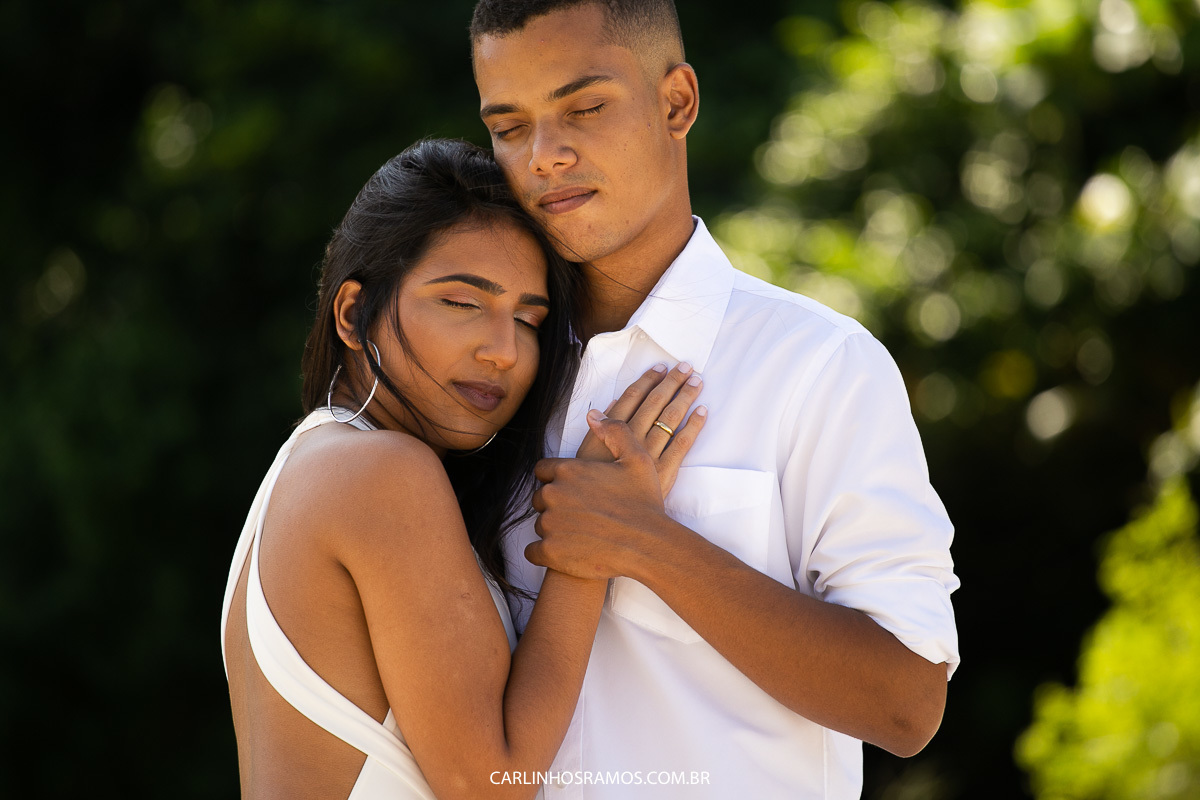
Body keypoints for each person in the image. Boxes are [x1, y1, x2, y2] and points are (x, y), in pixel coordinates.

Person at [469, 2, 962, 797]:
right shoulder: (482, 382)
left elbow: (908, 703)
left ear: (677, 102)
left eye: (584, 109)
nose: (544, 156)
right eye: (508, 126)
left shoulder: (820, 366)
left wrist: (647, 543)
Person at [220, 138, 707, 799]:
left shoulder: (313, 464)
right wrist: (590, 542)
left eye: (528, 319)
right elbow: (489, 785)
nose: (504, 351)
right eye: (461, 303)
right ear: (353, 314)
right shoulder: (379, 472)